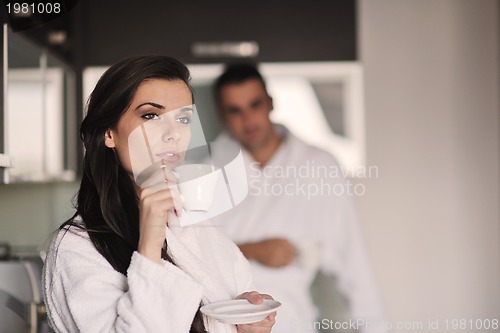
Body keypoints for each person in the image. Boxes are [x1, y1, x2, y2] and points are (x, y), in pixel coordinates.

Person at [42, 55, 276, 333]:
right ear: (109, 132)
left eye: (183, 118)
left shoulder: (199, 229)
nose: (173, 134)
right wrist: (150, 244)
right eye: (150, 115)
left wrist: (245, 326)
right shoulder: (77, 247)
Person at [211, 63, 386, 333]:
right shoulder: (206, 171)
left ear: (270, 102)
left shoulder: (320, 167)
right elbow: (192, 256)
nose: (248, 120)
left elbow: (354, 263)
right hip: (219, 326)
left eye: (255, 105)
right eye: (235, 111)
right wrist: (254, 250)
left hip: (292, 322)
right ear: (222, 115)